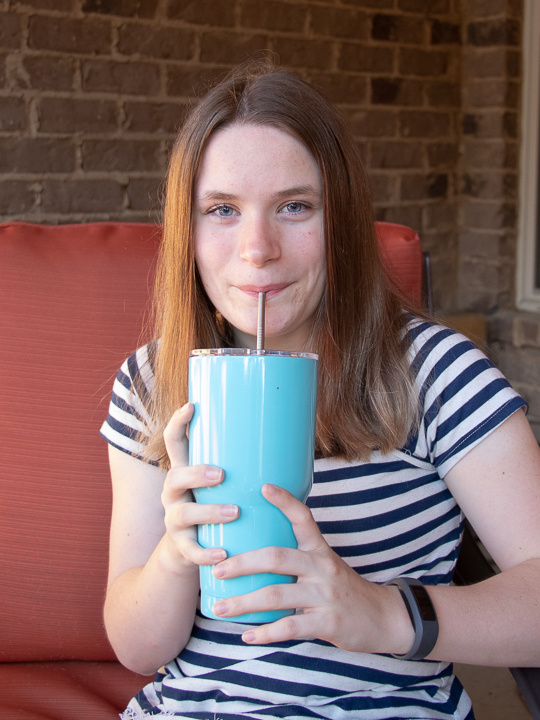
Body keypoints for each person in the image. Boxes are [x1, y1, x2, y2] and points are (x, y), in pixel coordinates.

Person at [100, 60, 540, 720]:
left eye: (295, 206)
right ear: (186, 232)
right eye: (222, 209)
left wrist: (386, 615)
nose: (257, 249)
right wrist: (173, 557)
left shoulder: (438, 374)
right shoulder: (150, 381)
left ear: (341, 221)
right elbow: (136, 648)